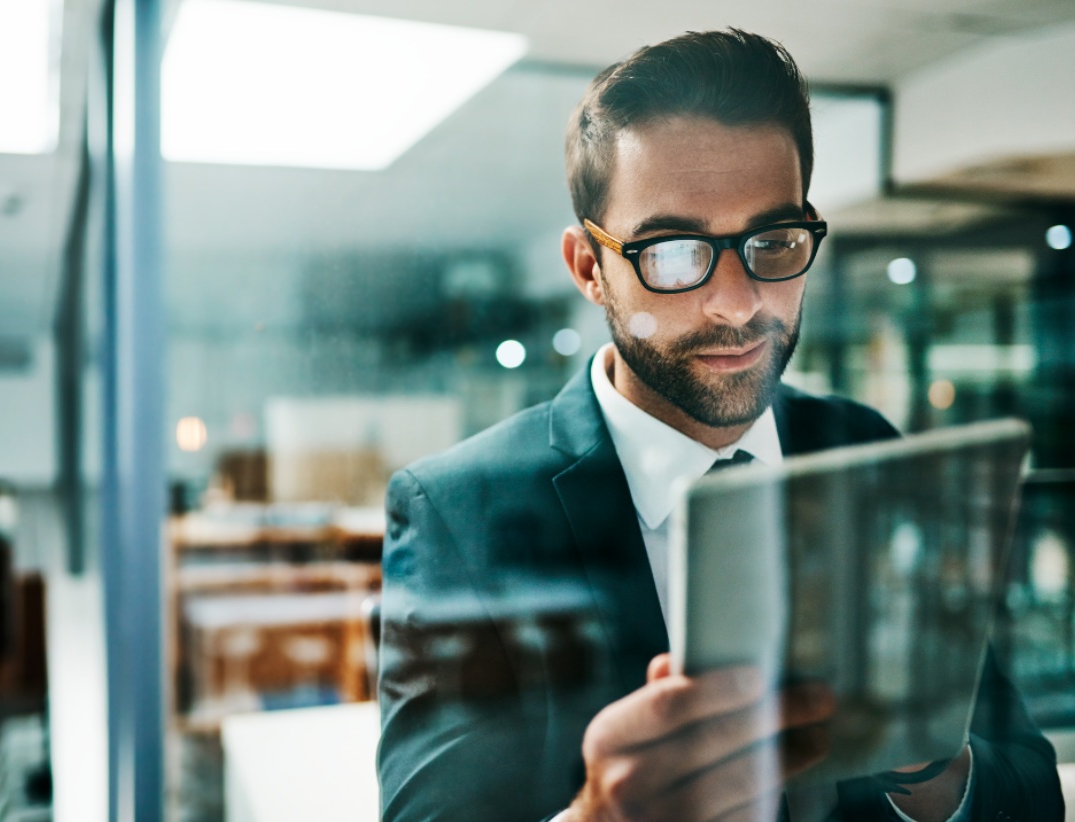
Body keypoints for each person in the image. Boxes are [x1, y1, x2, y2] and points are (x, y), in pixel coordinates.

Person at [377, 29, 1064, 821]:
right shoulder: (459, 511)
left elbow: (1032, 794)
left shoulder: (863, 446)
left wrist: (925, 761)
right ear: (588, 269)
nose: (739, 304)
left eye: (772, 241)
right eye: (673, 251)